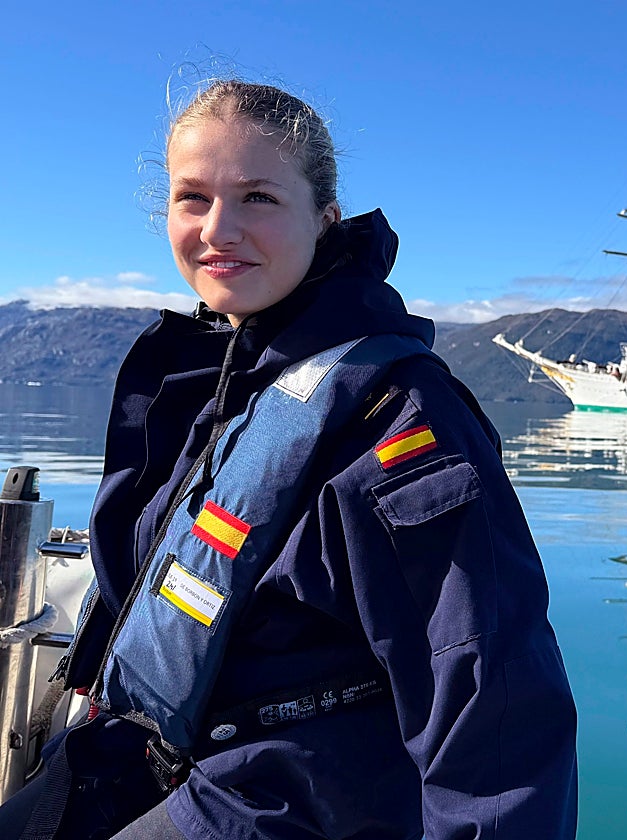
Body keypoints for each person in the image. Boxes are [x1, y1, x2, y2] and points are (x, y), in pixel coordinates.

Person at [0, 79, 578, 839]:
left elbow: (491, 706)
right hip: (151, 759)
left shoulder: (397, 419)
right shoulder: (230, 385)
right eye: (193, 198)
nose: (219, 230)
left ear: (325, 217)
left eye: (258, 199)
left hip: (286, 800)